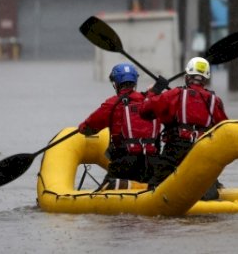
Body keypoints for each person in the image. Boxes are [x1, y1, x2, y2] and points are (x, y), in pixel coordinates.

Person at [140, 56, 228, 199]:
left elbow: (145, 111)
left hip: (176, 150)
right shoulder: (215, 101)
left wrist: (154, 91)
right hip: (203, 150)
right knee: (207, 181)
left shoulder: (175, 94)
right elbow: (224, 129)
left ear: (187, 77)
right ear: (205, 79)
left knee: (154, 188)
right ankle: (212, 190)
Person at [77, 63, 161, 190]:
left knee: (104, 190)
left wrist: (83, 129)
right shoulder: (150, 100)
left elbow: (86, 128)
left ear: (115, 83)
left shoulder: (112, 104)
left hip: (124, 162)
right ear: (134, 82)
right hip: (151, 162)